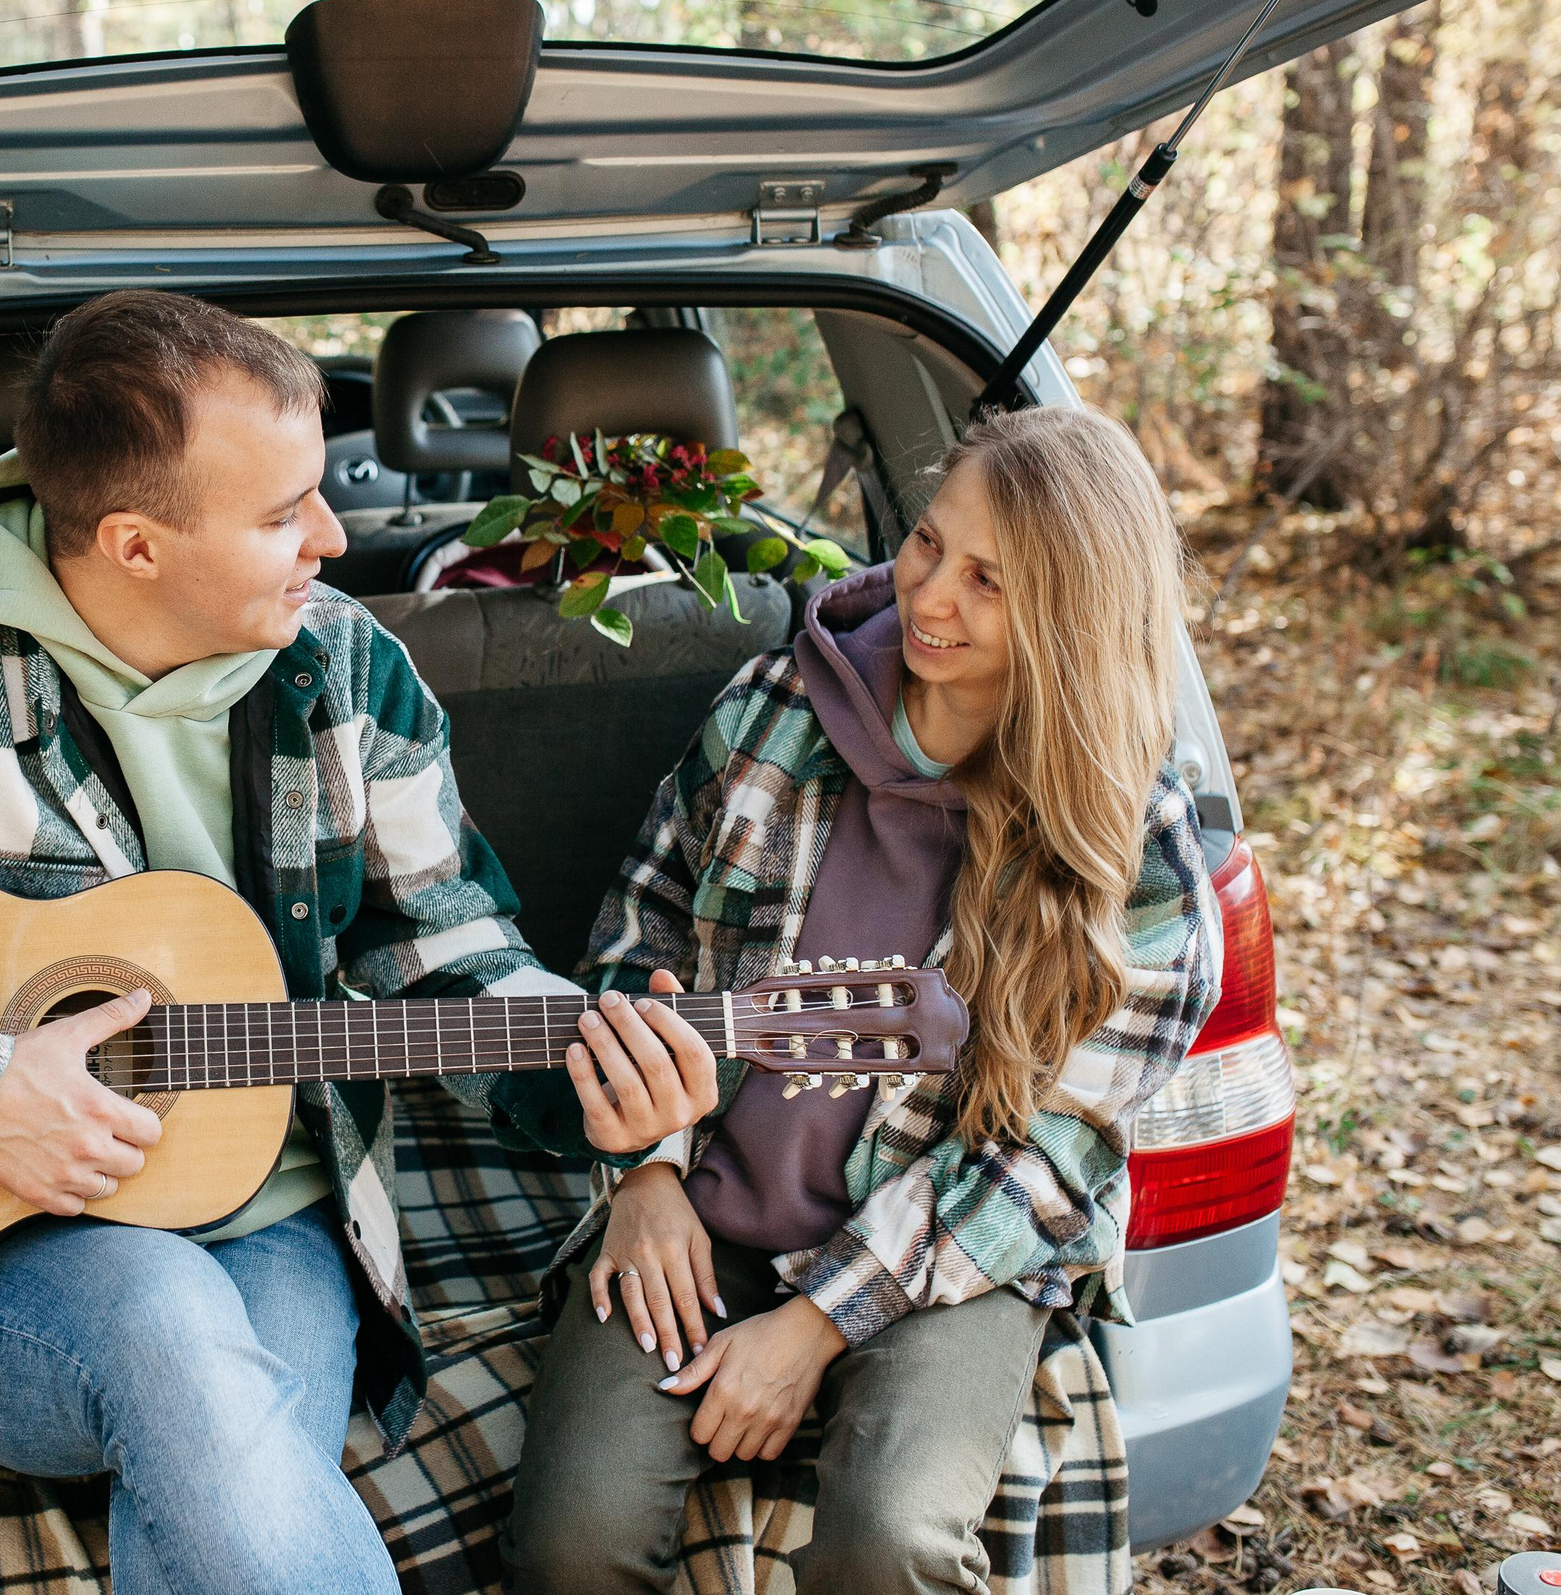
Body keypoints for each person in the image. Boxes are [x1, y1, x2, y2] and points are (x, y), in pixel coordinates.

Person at [0, 290, 720, 1595]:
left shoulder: (348, 670)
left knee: (225, 1467)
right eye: (285, 512)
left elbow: (448, 949)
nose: (334, 539)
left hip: (276, 1222)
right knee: (168, 1328)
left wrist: (597, 1090)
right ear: (134, 544)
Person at [501, 405, 1222, 1595]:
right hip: (709, 1205)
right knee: (570, 1541)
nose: (931, 598)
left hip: (954, 1247)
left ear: (1072, 616)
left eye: (989, 582)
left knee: (888, 1536)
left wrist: (813, 1325)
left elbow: (1053, 1153)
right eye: (929, 545)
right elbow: (644, 933)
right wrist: (645, 1175)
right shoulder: (775, 705)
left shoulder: (1130, 851)